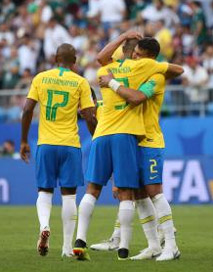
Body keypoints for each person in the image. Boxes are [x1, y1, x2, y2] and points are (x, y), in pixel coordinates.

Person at [73, 32, 183, 261]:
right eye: (133, 53)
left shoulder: (155, 76)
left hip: (150, 140)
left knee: (154, 191)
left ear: (148, 59)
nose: (134, 57)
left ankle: (171, 244)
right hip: (133, 139)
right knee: (139, 194)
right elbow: (103, 59)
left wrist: (113, 83)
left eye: (139, 55)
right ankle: (153, 245)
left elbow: (137, 97)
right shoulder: (137, 71)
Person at [20, 43, 97, 257]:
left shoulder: (40, 78)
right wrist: (97, 136)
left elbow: (27, 110)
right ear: (74, 62)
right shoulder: (80, 82)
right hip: (70, 145)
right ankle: (66, 248)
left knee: (44, 192)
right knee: (69, 196)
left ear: (55, 58)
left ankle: (44, 226)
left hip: (46, 144)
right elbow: (89, 116)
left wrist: (24, 141)